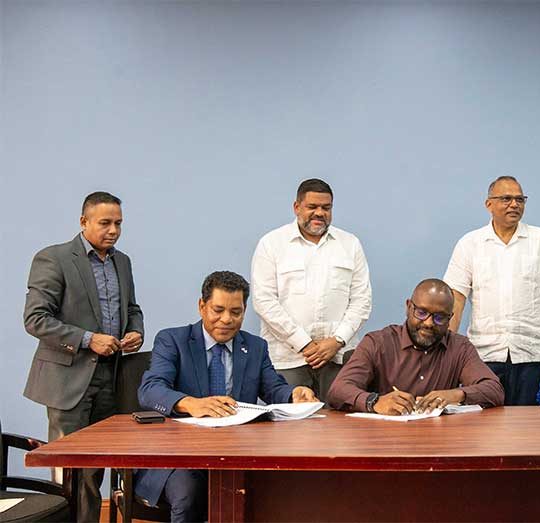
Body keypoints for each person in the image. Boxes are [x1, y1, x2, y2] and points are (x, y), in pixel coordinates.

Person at [136, 271, 317, 522]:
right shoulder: (173, 340)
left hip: (240, 451)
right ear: (202, 306)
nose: (226, 320)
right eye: (218, 310)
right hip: (183, 454)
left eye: (236, 312)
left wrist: (293, 394)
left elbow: (274, 388)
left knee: (287, 488)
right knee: (188, 494)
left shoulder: (255, 346)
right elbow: (151, 389)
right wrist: (192, 404)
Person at [23, 191, 144, 522]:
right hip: (69, 378)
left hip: (111, 377)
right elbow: (35, 319)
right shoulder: (54, 258)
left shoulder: (123, 262)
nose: (114, 230)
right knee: (69, 470)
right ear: (83, 222)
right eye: (105, 223)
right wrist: (89, 340)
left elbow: (132, 309)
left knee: (95, 469)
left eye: (118, 223)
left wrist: (136, 331)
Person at [443, 176, 540, 406]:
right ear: (489, 204)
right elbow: (457, 298)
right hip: (483, 355)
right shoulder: (470, 243)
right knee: (484, 430)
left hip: (532, 354)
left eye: (520, 199)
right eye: (506, 199)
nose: (514, 205)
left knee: (529, 430)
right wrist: (448, 349)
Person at [251, 178, 372, 402]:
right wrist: (304, 343)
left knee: (340, 429)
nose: (319, 213)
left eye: (326, 208)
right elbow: (264, 301)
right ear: (297, 207)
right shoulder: (272, 244)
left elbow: (361, 300)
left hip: (337, 357)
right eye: (312, 207)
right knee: (289, 427)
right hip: (288, 359)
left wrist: (337, 341)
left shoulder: (350, 244)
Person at [327, 279, 504, 414]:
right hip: (383, 440)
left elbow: (494, 390)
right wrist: (375, 402)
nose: (428, 323)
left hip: (440, 441)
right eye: (421, 312)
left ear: (450, 318)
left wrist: (456, 395)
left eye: (439, 317)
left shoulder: (460, 347)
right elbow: (338, 390)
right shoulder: (377, 343)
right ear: (408, 307)